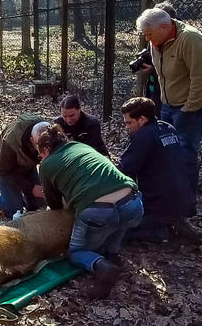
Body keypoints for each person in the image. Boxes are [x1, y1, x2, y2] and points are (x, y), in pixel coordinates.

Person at [35, 124, 143, 299]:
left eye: (40, 154)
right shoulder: (81, 146)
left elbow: (54, 204)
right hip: (133, 203)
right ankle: (113, 253)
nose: (41, 158)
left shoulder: (47, 164)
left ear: (46, 149)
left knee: (76, 252)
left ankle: (103, 267)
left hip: (99, 211)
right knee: (120, 222)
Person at [136, 7, 202, 205]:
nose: (147, 39)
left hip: (191, 105)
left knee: (185, 152)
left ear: (164, 27)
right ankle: (168, 195)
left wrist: (190, 107)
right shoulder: (156, 41)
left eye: (150, 34)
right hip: (168, 103)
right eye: (145, 35)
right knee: (166, 148)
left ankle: (187, 203)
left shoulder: (191, 39)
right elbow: (162, 74)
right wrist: (163, 100)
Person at [118, 97, 197, 242]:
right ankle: (173, 221)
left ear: (142, 119)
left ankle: (159, 231)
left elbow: (124, 169)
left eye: (129, 123)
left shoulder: (144, 135)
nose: (127, 127)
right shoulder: (168, 128)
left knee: (117, 229)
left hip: (156, 205)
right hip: (182, 201)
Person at [0, 114, 47, 217]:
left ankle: (20, 198)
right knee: (15, 211)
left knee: (38, 204)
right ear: (32, 140)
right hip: (4, 168)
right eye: (41, 148)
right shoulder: (11, 142)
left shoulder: (48, 132)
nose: (45, 152)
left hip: (27, 164)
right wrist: (31, 188)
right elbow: (5, 171)